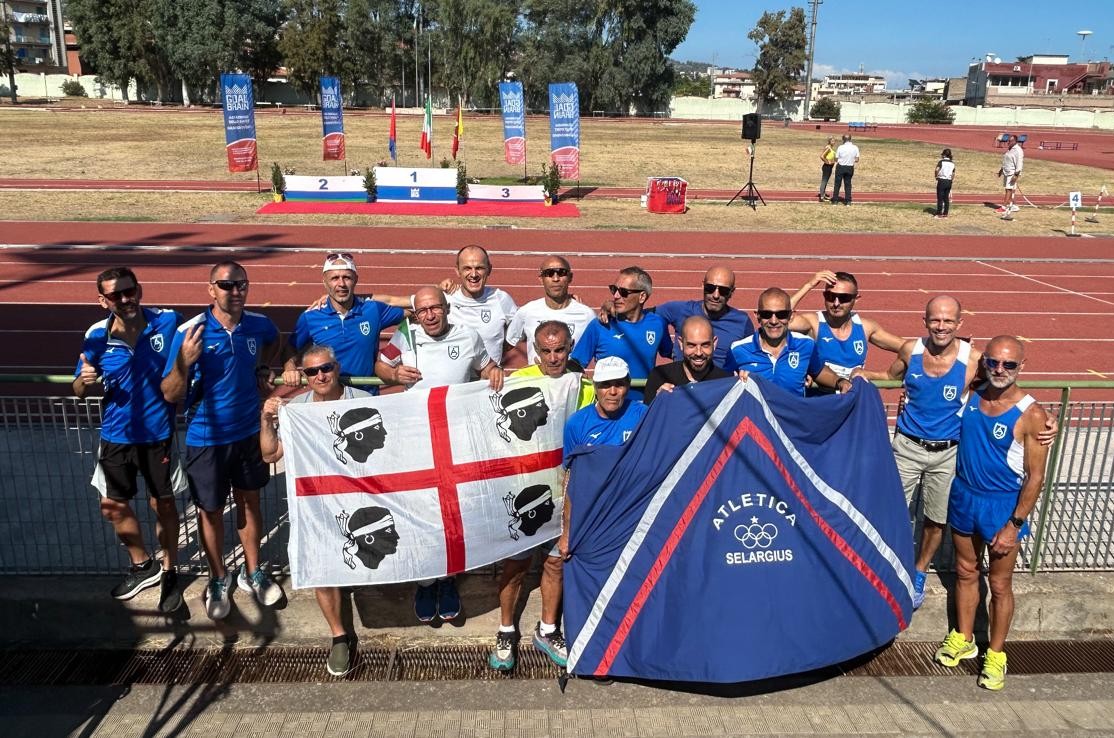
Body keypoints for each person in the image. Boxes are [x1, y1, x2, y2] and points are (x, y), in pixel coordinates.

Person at [161, 261, 285, 621]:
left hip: (247, 433)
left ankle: (253, 571)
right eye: (226, 285)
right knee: (210, 511)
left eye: (241, 284)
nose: (235, 291)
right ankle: (218, 577)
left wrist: (262, 366)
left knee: (250, 502)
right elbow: (170, 393)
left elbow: (275, 341)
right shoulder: (190, 332)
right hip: (206, 438)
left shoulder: (258, 324)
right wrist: (184, 363)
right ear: (210, 289)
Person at [375, 285, 503, 624]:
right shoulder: (406, 334)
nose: (430, 315)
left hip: (455, 442)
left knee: (451, 512)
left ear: (446, 308)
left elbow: (487, 366)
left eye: (435, 308)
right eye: (423, 311)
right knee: (421, 511)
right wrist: (394, 374)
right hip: (416, 441)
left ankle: (448, 579)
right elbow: (381, 366)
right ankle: (425, 582)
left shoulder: (468, 336)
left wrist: (494, 372)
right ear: (415, 314)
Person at [932, 336, 1049, 692]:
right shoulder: (973, 393)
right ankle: (964, 637)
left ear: (1021, 367)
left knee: (999, 584)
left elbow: (1035, 477)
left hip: (1001, 506)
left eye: (1009, 364)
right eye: (994, 362)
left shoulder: (1032, 414)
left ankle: (996, 654)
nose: (1000, 369)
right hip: (964, 496)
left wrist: (1014, 524)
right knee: (965, 571)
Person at [854, 295, 978, 611]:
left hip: (948, 452)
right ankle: (887, 565)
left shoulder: (974, 359)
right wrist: (861, 374)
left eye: (948, 320)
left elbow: (1002, 392)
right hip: (907, 447)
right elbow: (890, 376)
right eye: (935, 319)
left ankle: (919, 570)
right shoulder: (911, 350)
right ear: (924, 321)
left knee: (936, 519)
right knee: (891, 509)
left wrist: (1040, 417)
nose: (941, 326)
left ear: (959, 323)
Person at [73, 267, 184, 612]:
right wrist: (84, 381)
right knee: (112, 506)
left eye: (129, 290)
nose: (124, 299)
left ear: (139, 290)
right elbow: (78, 389)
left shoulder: (168, 321)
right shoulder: (96, 335)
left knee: (163, 504)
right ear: (102, 301)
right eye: (115, 295)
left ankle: (170, 570)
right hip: (115, 435)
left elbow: (210, 325)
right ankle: (143, 564)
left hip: (158, 434)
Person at [488, 321, 593, 673]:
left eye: (560, 350)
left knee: (554, 562)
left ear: (570, 347)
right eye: (546, 351)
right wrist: (491, 375)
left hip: (563, 491)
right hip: (524, 489)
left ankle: (547, 630)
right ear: (535, 351)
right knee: (515, 565)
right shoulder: (517, 380)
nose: (553, 357)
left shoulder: (583, 386)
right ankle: (505, 630)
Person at [261, 345, 372, 676]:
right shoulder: (297, 408)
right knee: (321, 565)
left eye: (326, 368)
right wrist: (266, 420)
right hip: (317, 502)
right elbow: (270, 455)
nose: (320, 376)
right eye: (312, 372)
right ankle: (339, 636)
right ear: (305, 377)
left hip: (359, 497)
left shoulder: (362, 400)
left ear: (336, 368)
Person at [558, 357, 647, 559]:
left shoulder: (644, 416)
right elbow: (569, 479)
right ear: (595, 386)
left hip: (629, 517)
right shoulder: (576, 424)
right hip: (592, 517)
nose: (612, 392)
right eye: (605, 385)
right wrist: (567, 530)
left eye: (619, 384)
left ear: (628, 385)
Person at [284, 253, 406, 394]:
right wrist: (290, 366)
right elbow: (290, 349)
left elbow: (417, 308)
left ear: (356, 280)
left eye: (347, 278)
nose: (341, 284)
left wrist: (367, 297)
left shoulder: (373, 310)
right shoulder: (310, 317)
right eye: (334, 278)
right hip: (329, 399)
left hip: (367, 397)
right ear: (324, 282)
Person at [789, 270, 905, 392]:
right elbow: (779, 318)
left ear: (856, 299)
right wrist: (809, 285)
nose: (836, 303)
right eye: (830, 296)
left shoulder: (866, 327)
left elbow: (909, 348)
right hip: (820, 401)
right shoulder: (814, 322)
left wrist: (883, 376)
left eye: (843, 298)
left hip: (851, 400)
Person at [729, 288, 851, 396]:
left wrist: (840, 382)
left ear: (791, 316)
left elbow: (818, 371)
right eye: (767, 314)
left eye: (781, 314)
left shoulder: (806, 345)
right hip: (755, 415)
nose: (774, 321)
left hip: (793, 415)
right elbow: (722, 383)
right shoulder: (738, 350)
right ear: (757, 316)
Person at [571, 266, 671, 381]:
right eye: (614, 289)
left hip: (646, 393)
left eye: (623, 292)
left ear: (642, 297)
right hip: (610, 393)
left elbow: (673, 354)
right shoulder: (600, 325)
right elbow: (575, 364)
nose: (616, 296)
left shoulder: (658, 324)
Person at [654, 266, 754, 371]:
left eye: (723, 290)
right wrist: (666, 349)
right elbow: (649, 317)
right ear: (703, 285)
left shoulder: (742, 322)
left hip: (721, 380)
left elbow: (752, 357)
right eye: (710, 288)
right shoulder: (679, 310)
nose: (716, 295)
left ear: (732, 292)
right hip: (681, 380)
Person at [505, 256, 596, 365]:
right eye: (549, 273)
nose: (555, 278)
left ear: (570, 277)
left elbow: (601, 349)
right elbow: (508, 344)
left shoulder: (586, 315)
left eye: (561, 273)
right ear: (541, 279)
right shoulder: (526, 312)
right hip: (536, 376)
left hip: (572, 376)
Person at [442, 245, 518, 366]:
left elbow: (519, 329)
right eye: (467, 268)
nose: (473, 274)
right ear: (457, 271)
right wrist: (436, 289)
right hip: (455, 377)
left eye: (479, 268)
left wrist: (500, 350)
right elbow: (412, 307)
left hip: (490, 377)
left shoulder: (501, 299)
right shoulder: (445, 298)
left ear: (489, 269)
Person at [644, 315, 733, 404]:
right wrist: (657, 403)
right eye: (691, 345)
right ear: (681, 343)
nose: (698, 353)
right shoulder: (659, 376)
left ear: (714, 343)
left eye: (705, 345)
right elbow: (647, 412)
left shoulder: (727, 382)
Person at [996, 135, 1024, 217]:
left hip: (1012, 173)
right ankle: (1013, 205)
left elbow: (1019, 163)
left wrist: (1016, 175)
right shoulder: (1010, 149)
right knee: (1008, 189)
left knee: (1009, 189)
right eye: (1008, 140)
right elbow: (1006, 160)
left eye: (1010, 141)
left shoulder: (1018, 150)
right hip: (1006, 171)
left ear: (1015, 141)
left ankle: (1004, 207)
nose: (1008, 142)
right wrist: (1001, 170)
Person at [831, 134, 860, 206]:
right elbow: (857, 159)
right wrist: (851, 159)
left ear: (843, 139)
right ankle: (848, 201)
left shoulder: (840, 147)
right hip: (849, 167)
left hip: (841, 167)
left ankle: (835, 200)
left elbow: (836, 159)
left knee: (837, 184)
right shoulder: (855, 147)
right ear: (850, 139)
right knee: (848, 184)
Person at [934, 149, 956, 219]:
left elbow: (936, 170)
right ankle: (945, 214)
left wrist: (936, 176)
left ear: (944, 155)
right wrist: (951, 180)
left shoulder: (941, 162)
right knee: (946, 198)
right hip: (949, 181)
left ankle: (939, 214)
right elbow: (953, 173)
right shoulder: (952, 163)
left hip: (942, 180)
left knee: (940, 198)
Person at [818, 137, 837, 202]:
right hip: (827, 167)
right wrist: (827, 162)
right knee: (824, 181)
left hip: (830, 167)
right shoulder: (828, 148)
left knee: (826, 181)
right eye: (832, 141)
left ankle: (823, 194)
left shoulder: (831, 148)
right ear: (829, 141)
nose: (834, 142)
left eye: (834, 141)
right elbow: (822, 156)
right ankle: (821, 197)